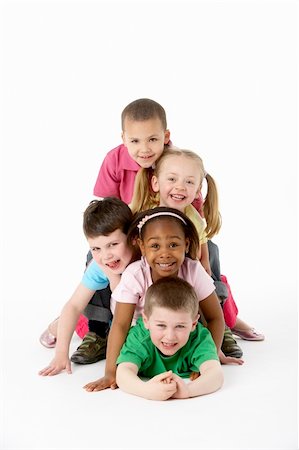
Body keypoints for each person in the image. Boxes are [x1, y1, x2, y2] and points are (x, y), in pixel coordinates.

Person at [84, 207, 243, 393]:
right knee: (127, 365)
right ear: (142, 247)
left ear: (186, 243)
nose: (165, 253)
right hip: (143, 330)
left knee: (200, 343)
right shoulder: (135, 274)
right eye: (155, 246)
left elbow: (215, 317)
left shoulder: (193, 270)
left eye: (174, 245)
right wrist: (111, 372)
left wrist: (212, 353)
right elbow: (120, 324)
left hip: (183, 328)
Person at [130, 147, 265, 349]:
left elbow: (202, 259)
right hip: (153, 272)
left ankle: (224, 323)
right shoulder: (147, 214)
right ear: (156, 183)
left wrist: (204, 281)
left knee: (212, 257)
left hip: (185, 270)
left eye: (189, 182)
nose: (180, 187)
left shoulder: (195, 219)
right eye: (172, 179)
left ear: (197, 190)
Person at [39, 197, 139, 376]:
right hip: (110, 317)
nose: (106, 256)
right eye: (96, 249)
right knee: (79, 319)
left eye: (113, 245)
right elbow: (74, 305)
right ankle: (57, 325)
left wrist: (113, 276)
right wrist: (61, 353)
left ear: (132, 238)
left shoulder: (146, 262)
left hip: (125, 317)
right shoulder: (101, 265)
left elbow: (130, 308)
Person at [116, 276, 224, 400]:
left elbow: (216, 374)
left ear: (193, 324)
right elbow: (123, 372)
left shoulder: (199, 338)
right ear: (146, 321)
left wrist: (188, 390)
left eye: (180, 326)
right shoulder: (140, 337)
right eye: (161, 325)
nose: (170, 336)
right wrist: (145, 390)